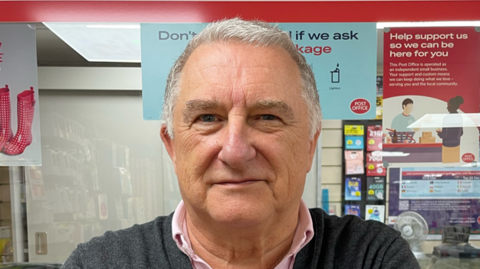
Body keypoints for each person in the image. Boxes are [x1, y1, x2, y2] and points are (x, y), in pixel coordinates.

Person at [62, 18, 419, 269]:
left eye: (267, 118)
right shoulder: (98, 262)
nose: (234, 151)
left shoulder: (373, 257)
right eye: (207, 118)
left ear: (310, 145)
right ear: (172, 146)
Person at [437, 96, 464, 163]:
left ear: (452, 106)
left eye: (448, 105)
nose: (447, 107)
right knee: (455, 164)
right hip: (457, 144)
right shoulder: (460, 117)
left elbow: (444, 134)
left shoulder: (446, 118)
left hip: (447, 145)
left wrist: (439, 132)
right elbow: (461, 133)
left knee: (447, 165)